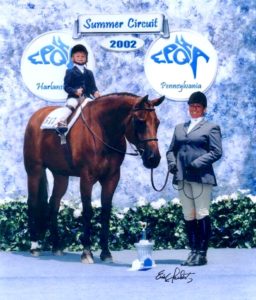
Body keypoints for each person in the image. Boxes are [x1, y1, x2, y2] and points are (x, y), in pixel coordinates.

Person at [166, 91, 222, 266]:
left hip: (201, 177)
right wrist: (172, 163)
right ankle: (192, 251)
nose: (194, 109)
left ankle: (202, 253)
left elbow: (216, 151)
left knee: (201, 213)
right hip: (182, 177)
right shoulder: (179, 128)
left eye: (198, 106)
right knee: (188, 214)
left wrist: (197, 163)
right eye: (191, 106)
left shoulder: (211, 127)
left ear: (204, 109)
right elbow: (171, 150)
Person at [57, 44, 100, 132]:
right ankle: (61, 122)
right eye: (78, 56)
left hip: (87, 98)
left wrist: (95, 92)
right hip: (75, 97)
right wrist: (75, 91)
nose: (80, 58)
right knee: (71, 104)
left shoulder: (89, 73)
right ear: (73, 58)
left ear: (86, 58)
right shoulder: (70, 72)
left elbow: (93, 87)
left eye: (83, 56)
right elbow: (66, 87)